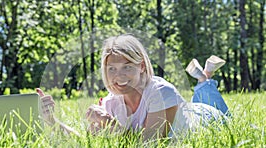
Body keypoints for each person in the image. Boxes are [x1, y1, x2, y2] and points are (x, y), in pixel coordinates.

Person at [37, 34, 229, 141]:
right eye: (111, 69)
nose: (118, 76)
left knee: (214, 104)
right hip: (187, 111)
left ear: (142, 67)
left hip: (207, 118)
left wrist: (111, 125)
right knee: (194, 99)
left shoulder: (162, 92)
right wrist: (52, 121)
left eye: (127, 67)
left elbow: (151, 144)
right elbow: (86, 143)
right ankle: (203, 76)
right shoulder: (112, 103)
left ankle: (205, 78)